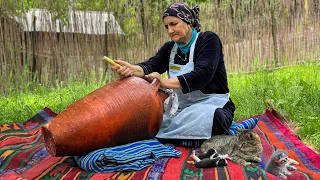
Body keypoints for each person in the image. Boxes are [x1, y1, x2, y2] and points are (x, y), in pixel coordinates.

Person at [111, 2, 236, 147]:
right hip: (181, 109)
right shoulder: (170, 48)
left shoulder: (208, 40)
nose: (170, 30)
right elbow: (150, 66)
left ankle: (180, 136)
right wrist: (132, 69)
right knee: (149, 121)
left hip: (211, 103)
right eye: (167, 27)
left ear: (188, 22)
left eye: (174, 24)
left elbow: (203, 75)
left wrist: (162, 82)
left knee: (216, 118)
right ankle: (189, 138)